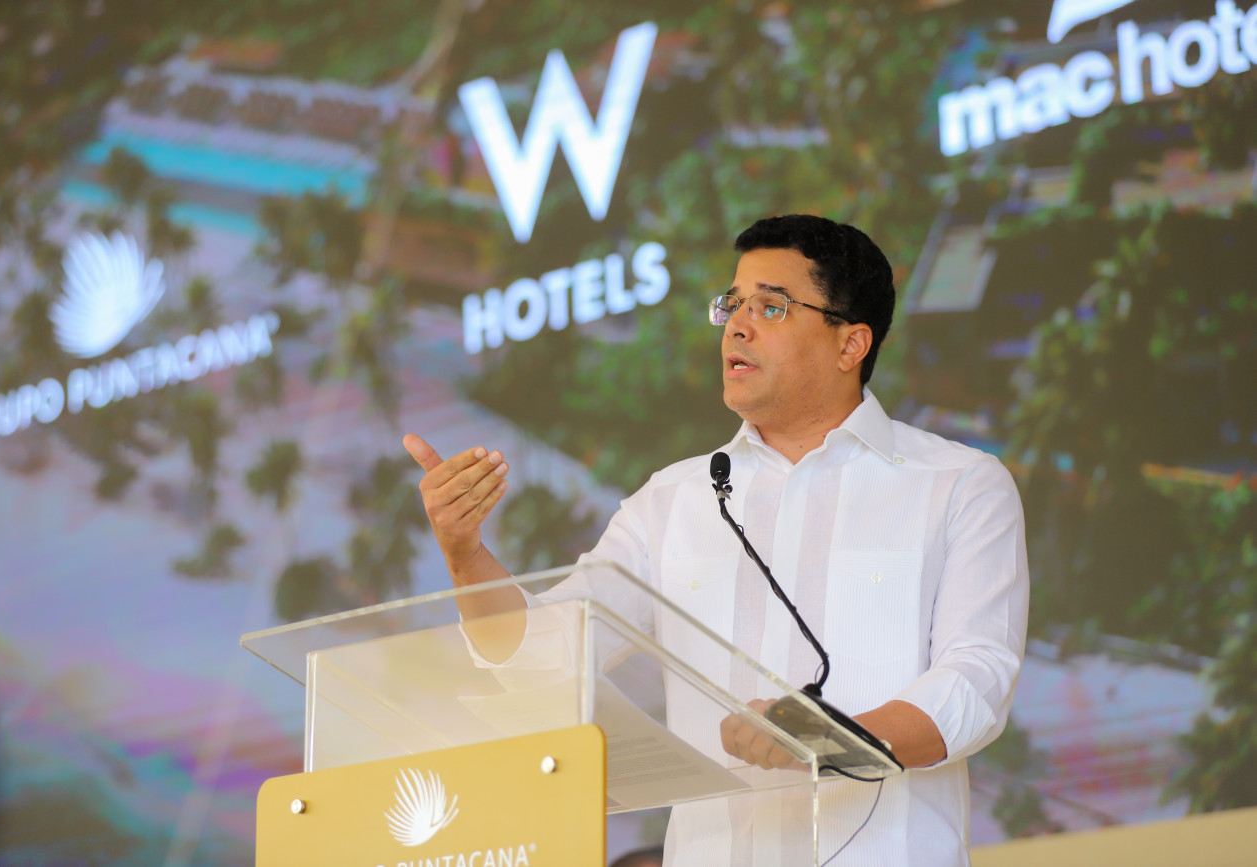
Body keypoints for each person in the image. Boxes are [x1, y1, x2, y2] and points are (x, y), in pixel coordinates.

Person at [405, 214, 1028, 866]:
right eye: (732, 305)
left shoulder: (957, 484)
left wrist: (826, 742)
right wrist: (464, 552)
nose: (736, 325)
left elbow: (976, 683)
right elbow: (541, 658)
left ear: (851, 344)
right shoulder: (672, 500)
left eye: (771, 306)